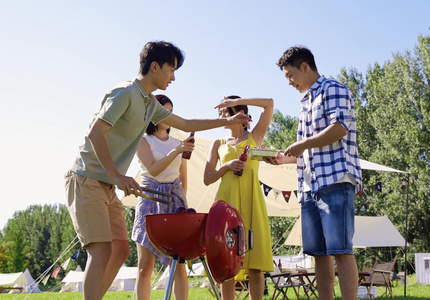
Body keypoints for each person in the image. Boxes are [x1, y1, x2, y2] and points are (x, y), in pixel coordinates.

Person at [65, 41, 249, 300]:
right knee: (102, 251)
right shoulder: (125, 93)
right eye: (171, 69)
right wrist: (117, 176)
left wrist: (227, 120)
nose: (173, 76)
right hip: (86, 179)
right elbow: (95, 133)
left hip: (106, 185)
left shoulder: (148, 104)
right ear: (155, 66)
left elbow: (185, 122)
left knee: (118, 250)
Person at [268, 45, 362, 300]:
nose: (289, 82)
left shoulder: (333, 88)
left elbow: (340, 127)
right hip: (309, 185)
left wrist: (303, 144)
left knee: (341, 249)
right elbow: (306, 151)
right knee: (318, 254)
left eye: (290, 75)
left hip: (335, 179)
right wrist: (281, 159)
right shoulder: (305, 101)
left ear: (305, 67)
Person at [204, 96, 274, 300]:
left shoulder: (256, 137)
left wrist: (237, 100)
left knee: (255, 266)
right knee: (227, 265)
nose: (222, 115)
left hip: (253, 204)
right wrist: (226, 166)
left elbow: (269, 103)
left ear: (240, 113)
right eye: (221, 111)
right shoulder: (218, 143)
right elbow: (207, 178)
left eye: (226, 110)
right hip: (226, 207)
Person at [131, 94, 192, 299]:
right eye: (165, 111)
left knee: (179, 264)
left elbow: (183, 178)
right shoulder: (142, 140)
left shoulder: (179, 142)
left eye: (171, 111)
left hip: (175, 201)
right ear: (153, 114)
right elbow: (154, 170)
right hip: (150, 199)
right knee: (144, 267)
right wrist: (176, 151)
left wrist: (182, 203)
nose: (170, 116)